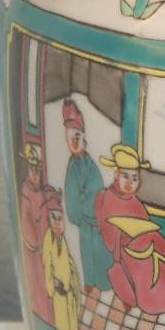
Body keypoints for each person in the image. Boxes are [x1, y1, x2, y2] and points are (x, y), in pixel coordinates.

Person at [95, 144, 165, 313]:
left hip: (141, 242)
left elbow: (144, 223)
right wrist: (121, 232)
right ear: (116, 175)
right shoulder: (108, 197)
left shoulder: (135, 201)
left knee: (161, 247)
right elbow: (107, 231)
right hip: (122, 247)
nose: (129, 183)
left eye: (134, 178)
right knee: (144, 261)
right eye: (125, 176)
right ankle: (147, 301)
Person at [62, 98, 105, 290]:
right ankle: (89, 283)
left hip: (96, 220)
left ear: (84, 139)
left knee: (100, 253)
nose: (74, 141)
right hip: (85, 222)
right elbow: (71, 197)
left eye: (77, 136)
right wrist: (78, 210)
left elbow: (97, 188)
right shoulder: (71, 167)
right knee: (86, 252)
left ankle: (101, 284)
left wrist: (85, 200)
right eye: (70, 136)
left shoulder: (90, 165)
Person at [18, 143, 53, 323]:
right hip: (36, 252)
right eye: (33, 170)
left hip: (46, 247)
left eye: (39, 170)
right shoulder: (26, 196)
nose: (36, 175)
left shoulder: (42, 192)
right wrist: (40, 244)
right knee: (39, 284)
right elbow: (28, 232)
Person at [41, 187, 81, 330]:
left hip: (69, 290)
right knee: (63, 325)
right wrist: (53, 283)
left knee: (72, 325)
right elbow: (47, 266)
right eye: (53, 218)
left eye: (60, 219)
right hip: (59, 293)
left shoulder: (62, 240)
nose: (57, 223)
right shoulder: (48, 239)